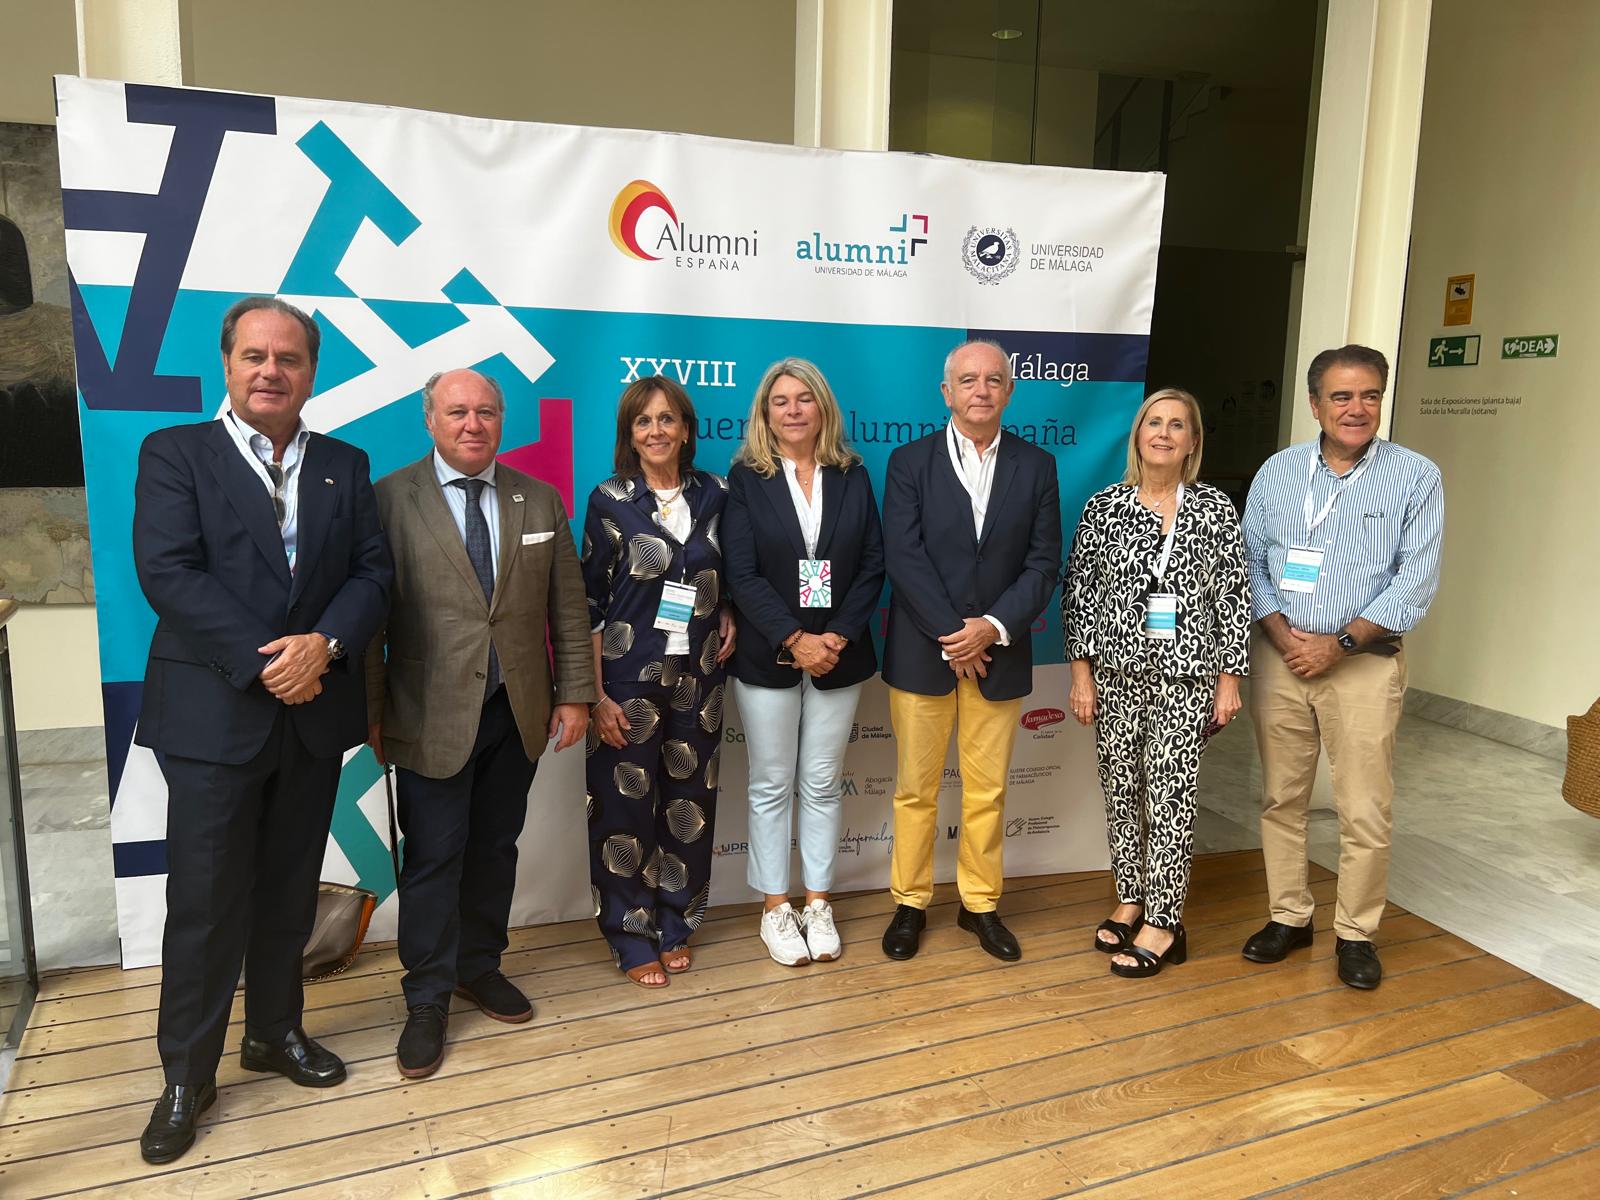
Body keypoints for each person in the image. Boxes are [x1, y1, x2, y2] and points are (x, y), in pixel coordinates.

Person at [130, 296, 392, 1163]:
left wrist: (325, 644)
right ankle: (186, 1075)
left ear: (312, 372)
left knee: (287, 890)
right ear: (228, 364)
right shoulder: (175, 454)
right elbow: (168, 573)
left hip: (312, 714)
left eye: (288, 358)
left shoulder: (345, 465)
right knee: (206, 905)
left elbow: (371, 574)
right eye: (254, 356)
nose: (271, 370)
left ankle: (273, 1033)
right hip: (213, 714)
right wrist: (270, 658)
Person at [366, 368, 595, 1078]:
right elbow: (367, 612)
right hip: (427, 714)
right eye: (457, 412)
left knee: (496, 848)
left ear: (502, 421)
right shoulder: (388, 500)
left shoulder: (538, 497)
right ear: (429, 420)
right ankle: (427, 999)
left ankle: (479, 966)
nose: (473, 424)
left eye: (486, 412)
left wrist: (576, 693)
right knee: (434, 858)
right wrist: (370, 714)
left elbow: (568, 607)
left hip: (516, 710)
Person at [1240, 344, 1443, 989]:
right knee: (1282, 797)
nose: (1356, 409)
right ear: (1315, 404)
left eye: (1369, 395)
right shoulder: (1278, 472)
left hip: (1363, 663)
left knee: (1363, 807)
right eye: (1341, 396)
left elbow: (1417, 577)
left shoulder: (1416, 476)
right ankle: (1289, 916)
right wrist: (1285, 636)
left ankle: (1356, 932)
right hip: (1282, 659)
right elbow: (1252, 562)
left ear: (1382, 399)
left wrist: (1340, 643)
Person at [879, 339, 1062, 962]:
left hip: (1000, 653)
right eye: (968, 380)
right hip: (921, 653)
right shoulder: (908, 462)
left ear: (1009, 390)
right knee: (915, 789)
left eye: (993, 380)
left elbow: (1042, 565)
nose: (981, 390)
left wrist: (990, 627)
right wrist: (954, 636)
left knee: (987, 792)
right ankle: (909, 902)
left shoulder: (1037, 466)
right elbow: (903, 557)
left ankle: (979, 904)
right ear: (946, 392)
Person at [1064, 387, 1251, 977]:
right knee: (1122, 793)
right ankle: (1129, 895)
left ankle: (1165, 921)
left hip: (1185, 678)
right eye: (1154, 423)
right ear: (1138, 435)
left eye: (1177, 425)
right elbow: (1080, 597)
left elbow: (1234, 599)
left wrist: (1229, 680)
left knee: (1169, 797)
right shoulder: (1104, 508)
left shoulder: (1216, 510)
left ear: (1193, 441)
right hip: (1115, 675)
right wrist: (1081, 676)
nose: (1164, 433)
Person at [723, 358, 885, 966]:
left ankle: (818, 902)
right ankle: (775, 907)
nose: (792, 410)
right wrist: (796, 639)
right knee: (770, 783)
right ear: (765, 413)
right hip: (771, 654)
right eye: (779, 401)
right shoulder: (746, 478)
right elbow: (741, 572)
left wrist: (836, 638)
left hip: (839, 656)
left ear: (823, 408)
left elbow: (873, 563)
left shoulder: (853, 474)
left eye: (803, 399)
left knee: (820, 781)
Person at [582, 376, 735, 987]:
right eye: (643, 422)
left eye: (667, 419)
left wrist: (729, 611)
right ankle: (629, 932)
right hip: (626, 679)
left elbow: (737, 570)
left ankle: (677, 922)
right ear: (629, 434)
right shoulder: (608, 499)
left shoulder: (718, 494)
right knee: (623, 811)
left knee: (690, 805)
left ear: (687, 430)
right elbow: (588, 604)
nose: (656, 431)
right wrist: (594, 694)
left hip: (700, 678)